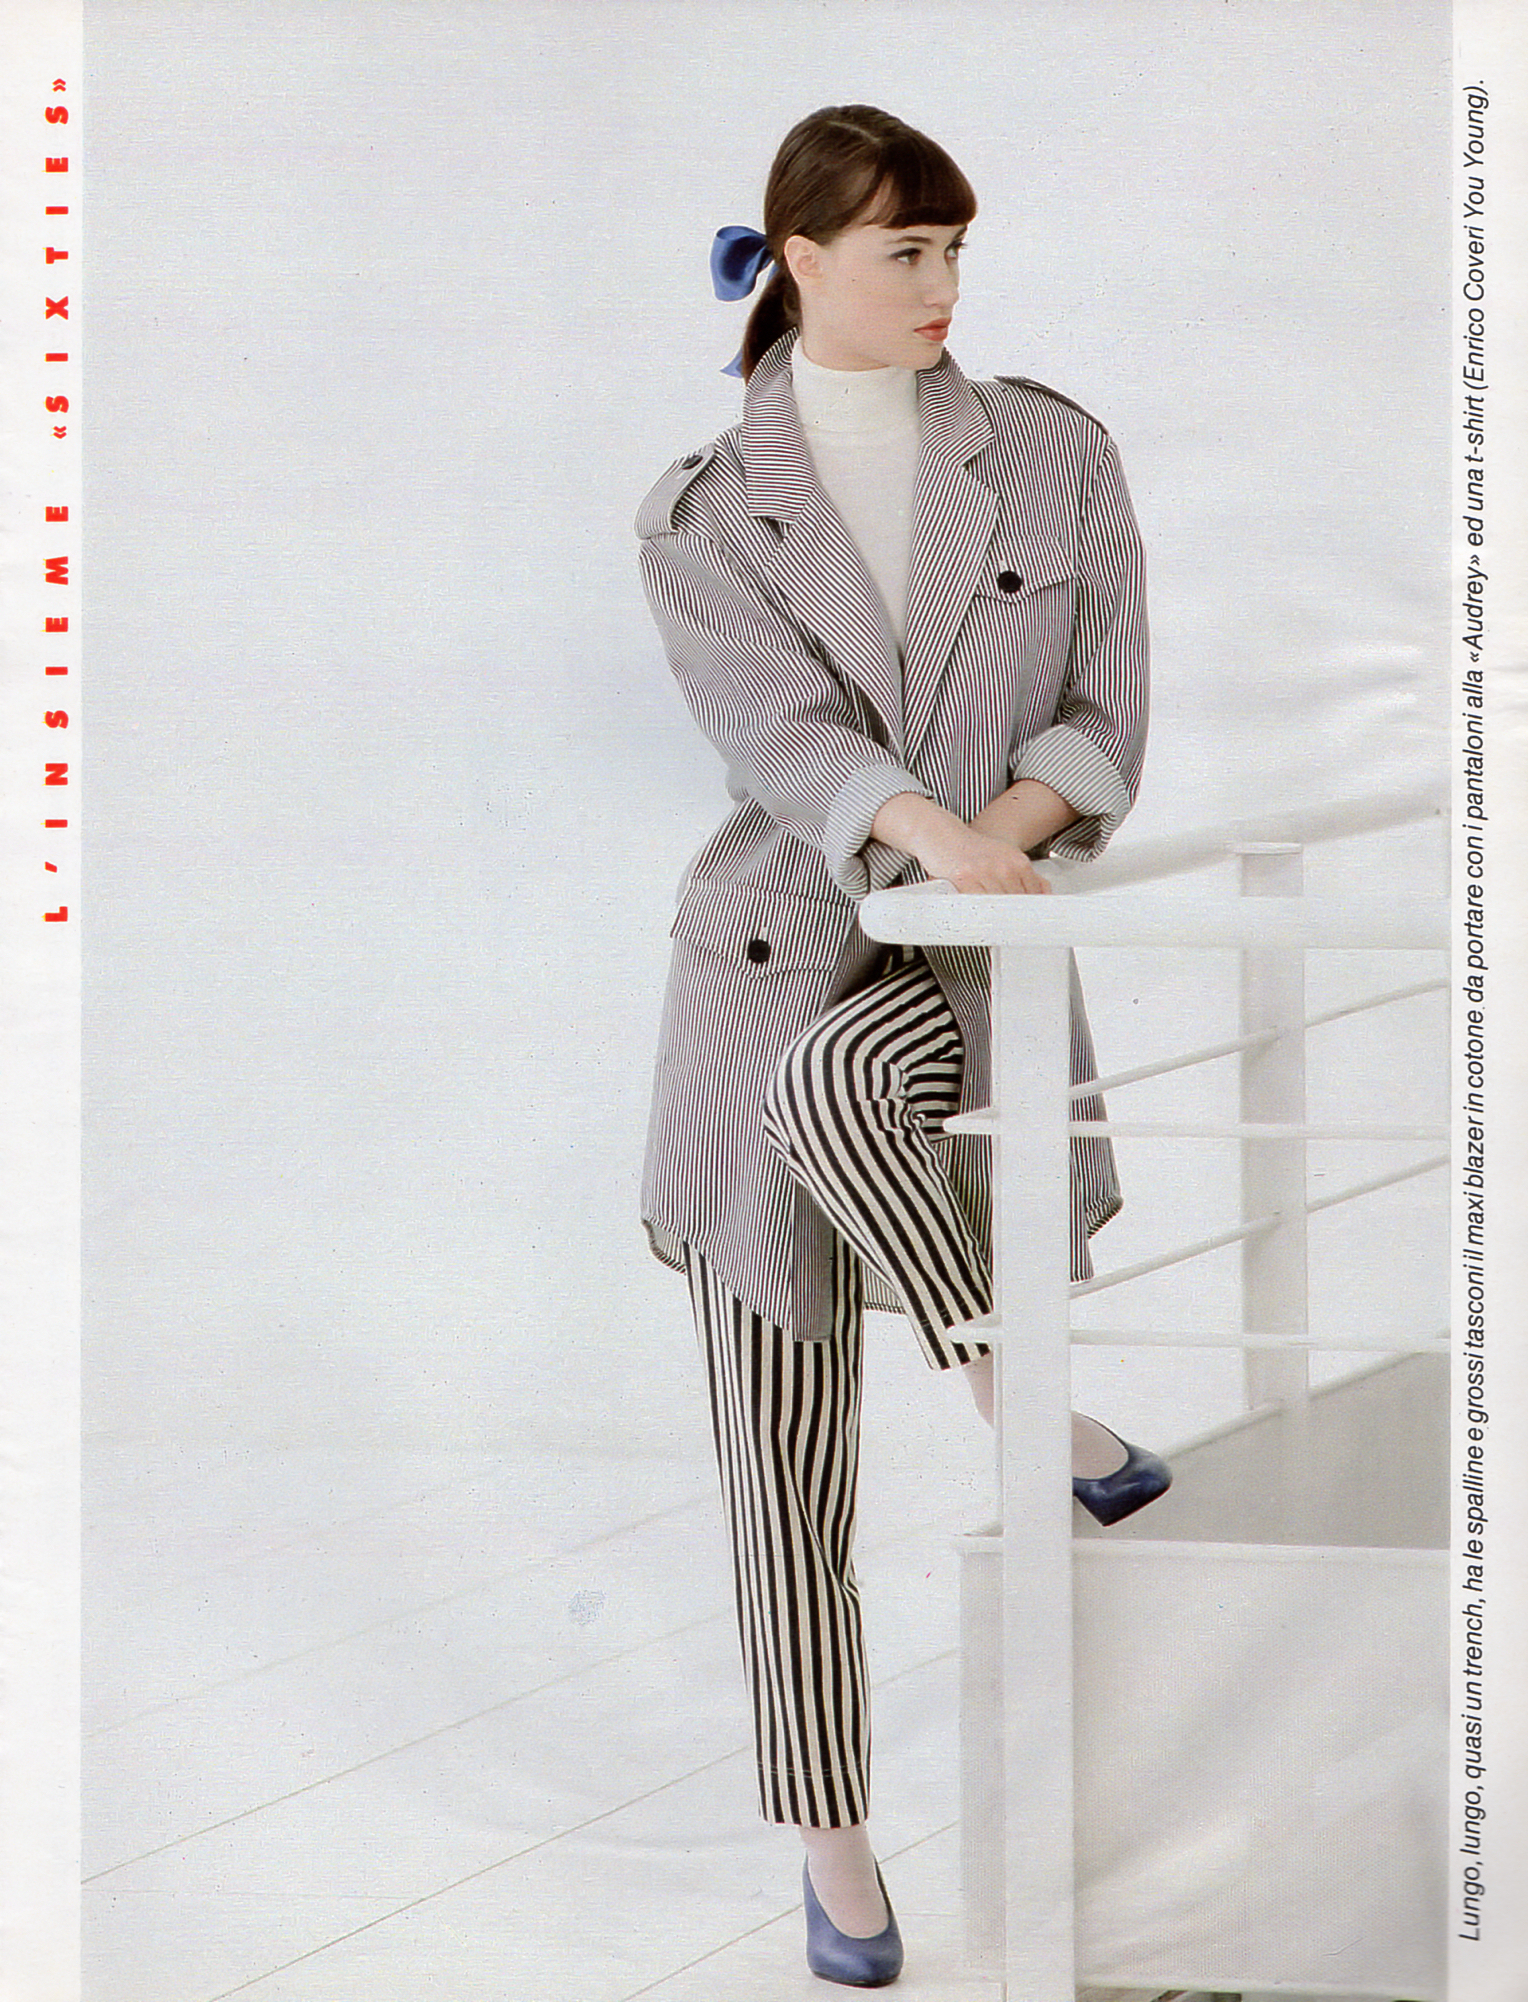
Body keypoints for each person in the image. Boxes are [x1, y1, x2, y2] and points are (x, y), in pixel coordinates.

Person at [634, 104, 1166, 1988]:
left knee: (841, 1087)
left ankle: (1023, 1398)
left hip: (969, 964)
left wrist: (988, 847)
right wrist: (925, 830)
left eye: (954, 249)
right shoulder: (701, 510)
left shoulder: (1051, 452)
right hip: (767, 958)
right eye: (904, 253)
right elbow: (776, 734)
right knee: (778, 1464)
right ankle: (835, 1843)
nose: (945, 286)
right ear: (798, 260)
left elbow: (1109, 705)